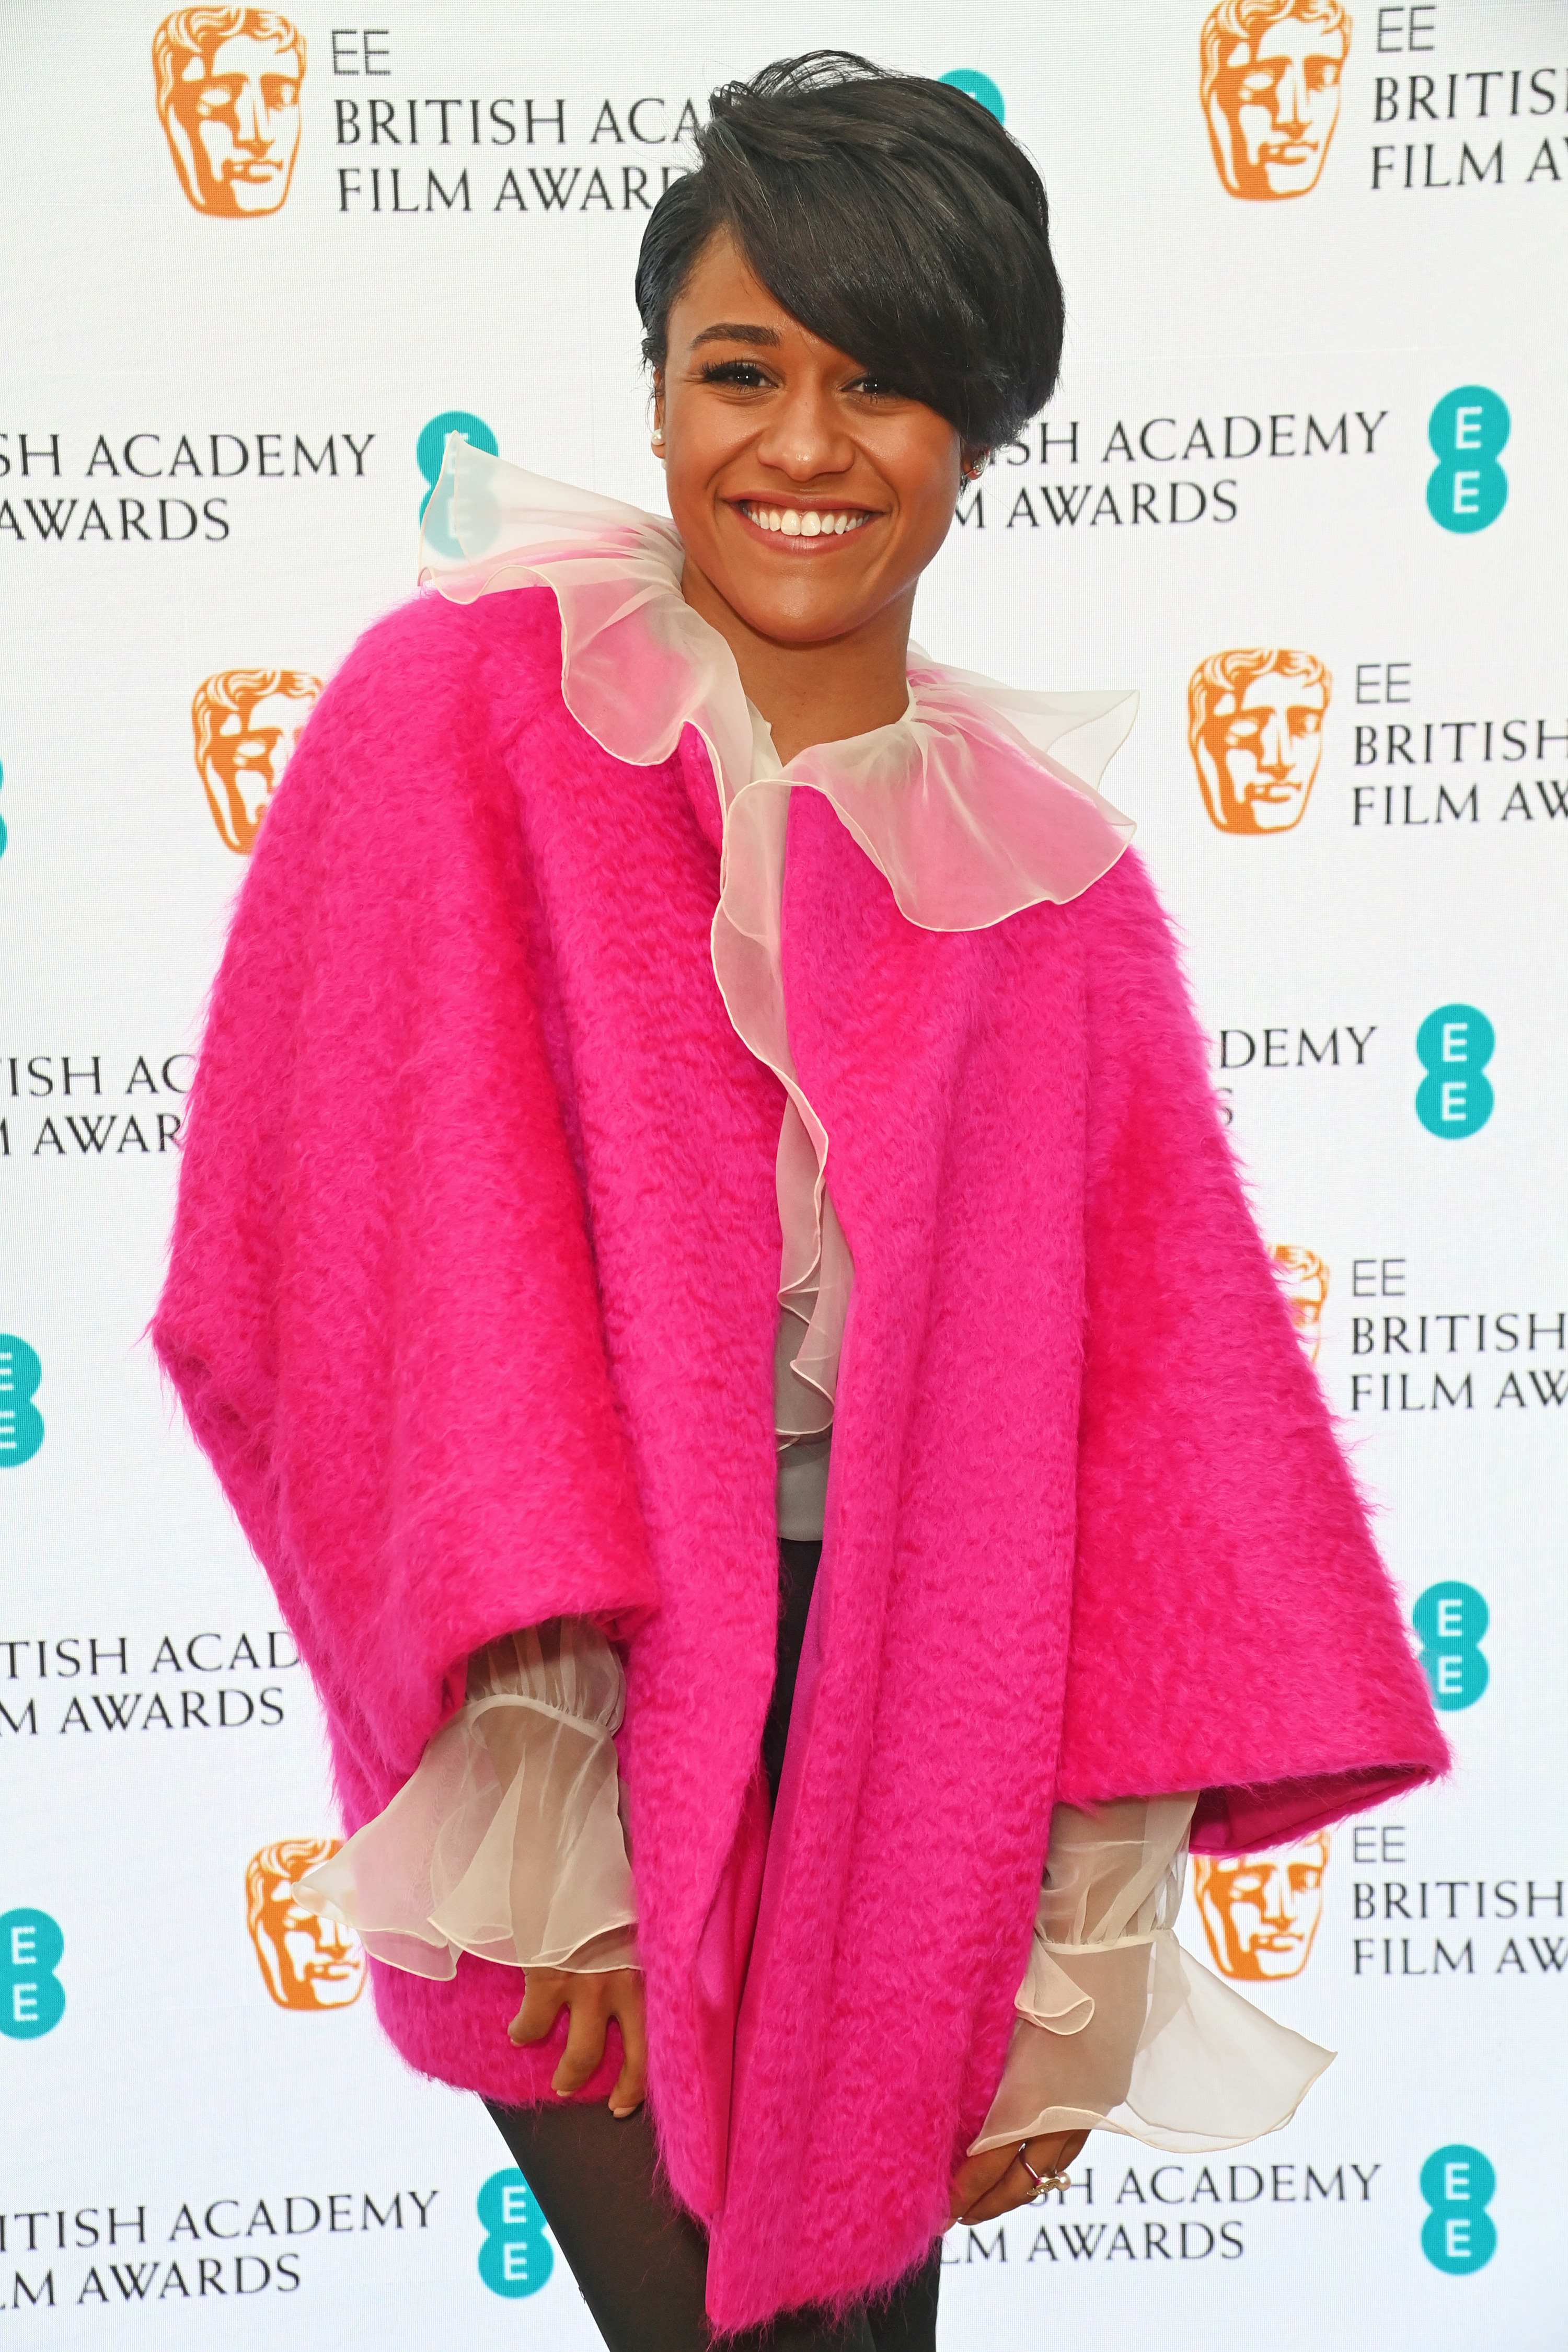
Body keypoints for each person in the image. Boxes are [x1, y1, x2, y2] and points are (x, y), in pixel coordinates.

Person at [154, 53, 1447, 2351]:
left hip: (915, 1712)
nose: (802, 447)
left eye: (885, 385)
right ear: (650, 395)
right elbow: (339, 1264)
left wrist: (1077, 1950)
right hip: (568, 1673)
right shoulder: (461, 714)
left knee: (868, 2328)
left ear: (980, 428)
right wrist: (537, 1813)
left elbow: (1148, 1447)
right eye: (737, 369)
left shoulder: (1050, 881)